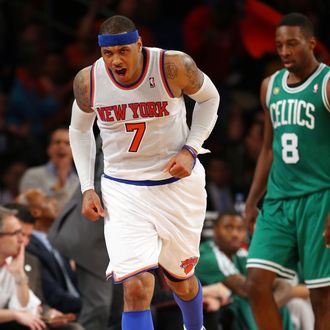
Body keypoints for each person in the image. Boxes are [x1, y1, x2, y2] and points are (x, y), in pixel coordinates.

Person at [69, 14, 219, 330]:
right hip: (123, 188)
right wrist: (87, 186)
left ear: (139, 44)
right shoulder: (89, 81)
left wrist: (191, 148)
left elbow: (209, 99)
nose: (115, 60)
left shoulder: (172, 66)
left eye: (123, 51)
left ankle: (196, 327)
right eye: (108, 53)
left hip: (176, 185)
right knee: (136, 285)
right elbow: (79, 130)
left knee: (181, 281)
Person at [244, 13, 330, 330]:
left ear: (311, 43)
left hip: (320, 199)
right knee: (255, 283)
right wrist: (254, 199)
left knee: (323, 297)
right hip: (278, 201)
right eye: (279, 45)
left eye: (292, 44)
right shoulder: (270, 86)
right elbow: (268, 148)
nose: (284, 51)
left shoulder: (327, 83)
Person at [196, 211, 294, 330]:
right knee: (244, 302)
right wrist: (269, 305)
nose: (235, 234)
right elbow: (248, 290)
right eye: (228, 228)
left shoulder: (241, 254)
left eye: (240, 229)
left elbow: (282, 285)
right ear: (215, 231)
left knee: (281, 306)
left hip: (230, 308)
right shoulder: (208, 255)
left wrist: (271, 305)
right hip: (207, 311)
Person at [16, 189, 82, 316]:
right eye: (46, 199)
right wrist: (86, 304)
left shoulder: (56, 240)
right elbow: (52, 293)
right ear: (35, 212)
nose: (54, 202)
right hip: (58, 311)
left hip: (75, 305)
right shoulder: (28, 246)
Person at [0, 205, 46, 330]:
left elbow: (25, 308)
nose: (22, 241)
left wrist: (19, 274)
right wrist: (14, 315)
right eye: (16, 233)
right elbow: (20, 314)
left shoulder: (10, 263)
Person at [19, 128, 79, 211]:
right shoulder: (32, 175)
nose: (61, 146)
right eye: (57, 142)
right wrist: (61, 182)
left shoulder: (79, 182)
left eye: (67, 143)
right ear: (49, 149)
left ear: (74, 151)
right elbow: (31, 207)